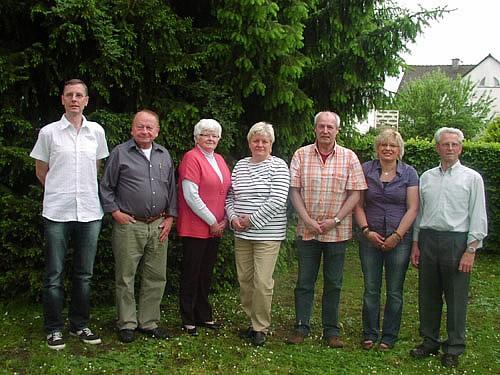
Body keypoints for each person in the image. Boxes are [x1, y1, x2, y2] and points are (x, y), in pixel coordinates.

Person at [30, 79, 108, 350]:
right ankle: (53, 329)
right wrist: (59, 191)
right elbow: (42, 171)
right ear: (62, 99)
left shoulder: (96, 132)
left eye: (79, 95)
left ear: (86, 100)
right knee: (54, 274)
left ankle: (79, 325)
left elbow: (97, 167)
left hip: (89, 211)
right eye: (69, 95)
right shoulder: (49, 133)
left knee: (84, 274)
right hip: (57, 212)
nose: (74, 99)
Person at [287, 111, 367, 348]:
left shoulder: (349, 157)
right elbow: (294, 191)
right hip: (308, 230)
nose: (325, 131)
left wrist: (336, 219)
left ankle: (331, 330)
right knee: (304, 282)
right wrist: (307, 219)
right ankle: (301, 326)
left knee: (334, 282)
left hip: (337, 232)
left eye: (330, 127)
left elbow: (355, 193)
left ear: (337, 131)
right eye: (321, 126)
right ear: (315, 129)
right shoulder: (301, 155)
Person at [409, 127, 487, 368]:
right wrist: (415, 243)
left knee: (456, 297)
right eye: (445, 144)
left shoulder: (472, 178)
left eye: (454, 144)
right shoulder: (426, 177)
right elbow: (420, 213)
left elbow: (478, 215)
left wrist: (471, 249)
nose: (450, 148)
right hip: (429, 240)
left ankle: (453, 347)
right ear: (437, 148)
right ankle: (429, 341)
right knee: (428, 295)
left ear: (461, 147)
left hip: (457, 241)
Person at [99, 110, 177, 343]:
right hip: (129, 225)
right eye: (140, 127)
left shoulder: (164, 155)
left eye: (149, 127)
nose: (145, 131)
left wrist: (171, 218)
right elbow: (106, 186)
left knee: (156, 276)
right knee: (126, 276)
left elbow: (172, 189)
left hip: (158, 225)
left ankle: (148, 322)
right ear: (132, 129)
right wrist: (115, 212)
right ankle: (127, 323)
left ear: (157, 131)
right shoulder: (120, 153)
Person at [225, 122, 290, 346]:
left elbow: (278, 200)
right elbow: (230, 197)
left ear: (271, 144)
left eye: (265, 141)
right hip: (242, 234)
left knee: (262, 282)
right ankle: (251, 322)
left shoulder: (279, 166)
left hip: (267, 234)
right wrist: (233, 218)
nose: (260, 144)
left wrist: (251, 220)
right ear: (249, 143)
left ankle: (260, 327)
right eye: (256, 140)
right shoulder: (240, 166)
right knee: (245, 281)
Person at [354, 128, 419, 350]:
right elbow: (358, 204)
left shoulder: (409, 173)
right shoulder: (365, 170)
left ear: (399, 149)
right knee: (371, 288)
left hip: (398, 240)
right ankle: (370, 333)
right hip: (369, 238)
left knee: (394, 290)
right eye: (384, 145)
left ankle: (389, 336)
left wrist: (398, 235)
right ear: (377, 148)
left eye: (392, 145)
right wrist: (366, 231)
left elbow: (413, 208)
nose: (388, 149)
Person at [177, 119, 231, 336]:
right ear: (196, 137)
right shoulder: (192, 157)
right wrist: (212, 222)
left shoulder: (219, 159)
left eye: (214, 135)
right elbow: (191, 195)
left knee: (206, 273)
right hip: (196, 226)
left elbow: (226, 191)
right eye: (205, 134)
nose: (210, 139)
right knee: (192, 273)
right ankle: (188, 317)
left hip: (216, 226)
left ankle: (203, 314)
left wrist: (224, 219)